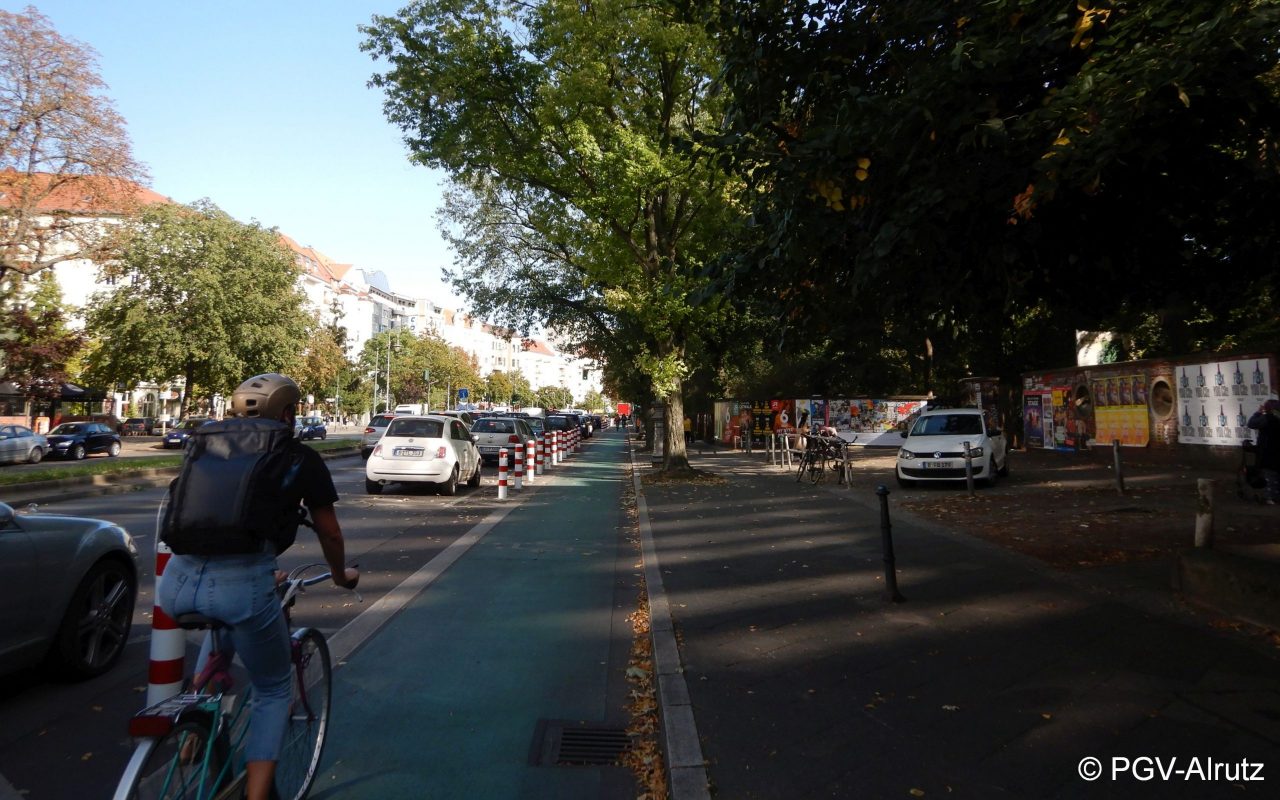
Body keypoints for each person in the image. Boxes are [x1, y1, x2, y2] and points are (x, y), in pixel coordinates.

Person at [158, 373, 359, 800]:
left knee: (223, 629)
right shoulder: (298, 457)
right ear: (287, 413)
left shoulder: (203, 444)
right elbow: (331, 535)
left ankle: (197, 727)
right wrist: (341, 576)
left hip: (175, 582)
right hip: (242, 581)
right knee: (271, 688)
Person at [1247, 399, 1280, 505]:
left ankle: (1270, 497)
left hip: (1267, 451)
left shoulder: (1267, 418)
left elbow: (1251, 423)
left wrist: (1258, 412)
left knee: (1269, 475)